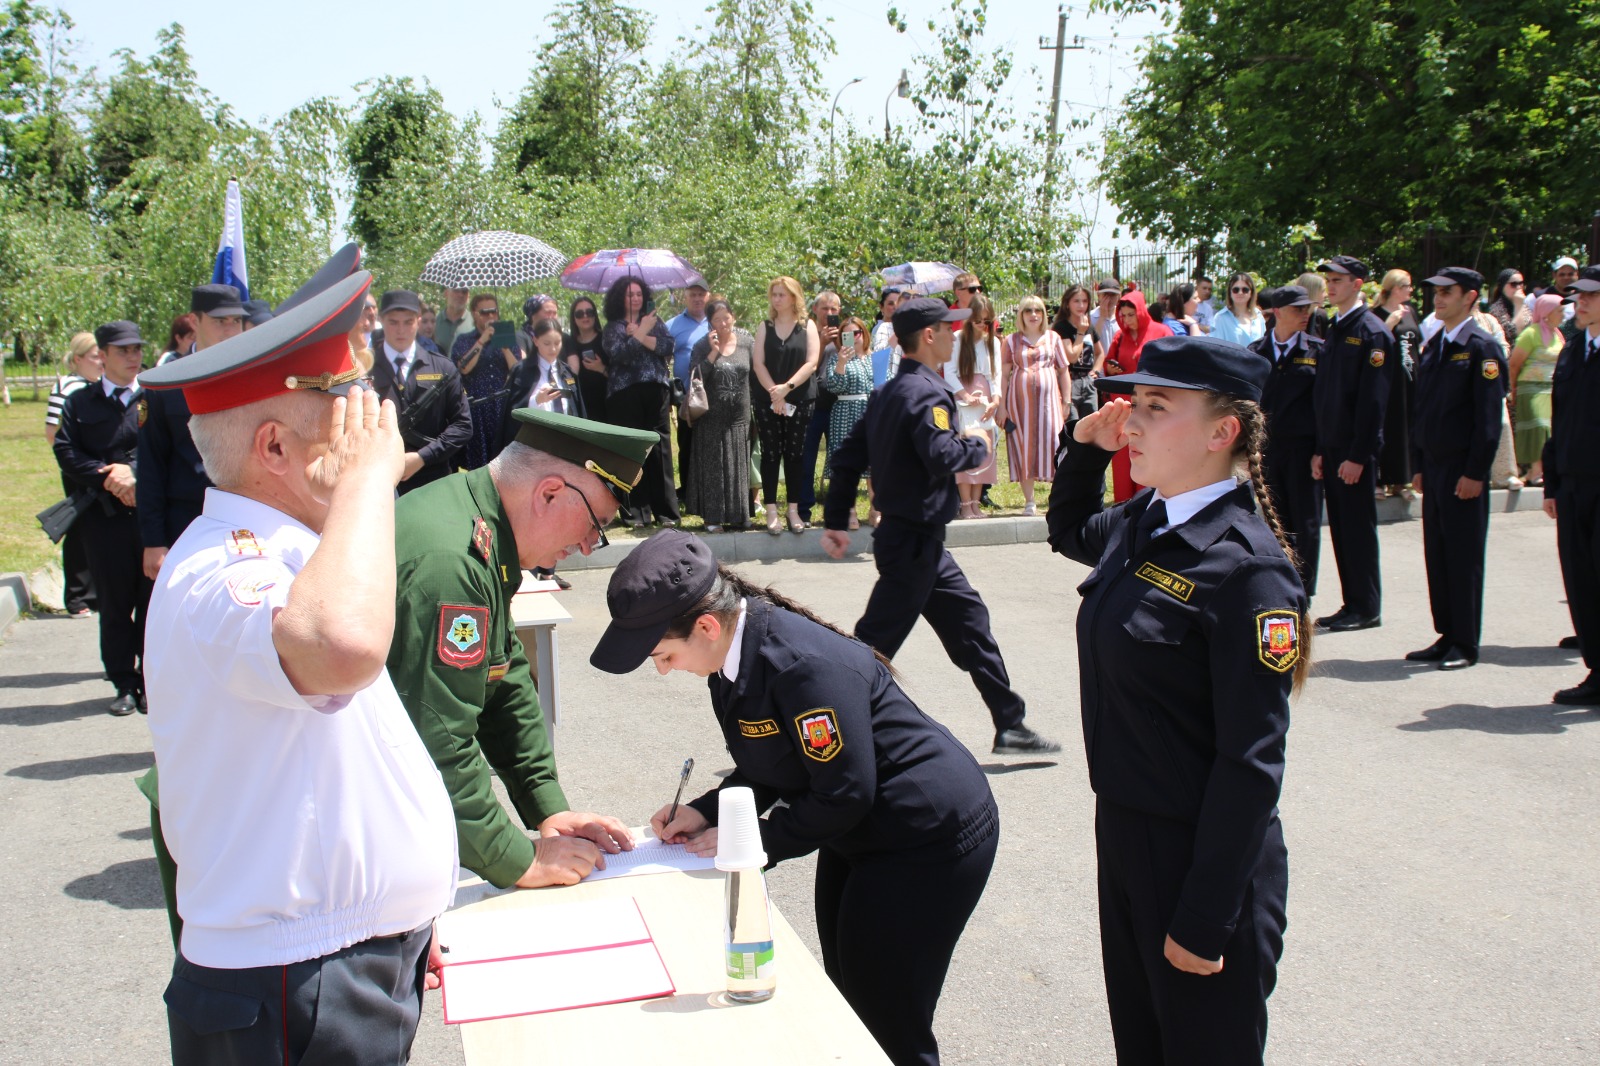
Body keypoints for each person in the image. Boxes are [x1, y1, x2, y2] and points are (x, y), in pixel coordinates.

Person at [137, 271, 457, 1064]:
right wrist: (367, 484)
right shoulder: (223, 568)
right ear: (275, 446)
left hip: (339, 961)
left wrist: (402, 908)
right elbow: (340, 650)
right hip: (291, 981)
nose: (368, 438)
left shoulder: (298, 554)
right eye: (345, 422)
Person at [594, 530, 1000, 1066]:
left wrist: (746, 840)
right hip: (859, 827)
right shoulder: (732, 656)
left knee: (886, 1021)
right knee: (845, 994)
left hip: (924, 836)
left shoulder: (799, 665)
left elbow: (845, 791)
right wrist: (707, 810)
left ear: (707, 625)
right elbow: (777, 761)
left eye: (663, 654)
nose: (663, 670)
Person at [1047, 333, 1306, 1066]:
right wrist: (1087, 448)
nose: (1132, 421)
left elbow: (1251, 763)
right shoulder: (1145, 523)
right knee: (1143, 1046)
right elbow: (1067, 528)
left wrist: (1204, 917)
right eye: (1137, 404)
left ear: (1223, 432)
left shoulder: (1248, 571)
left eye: (1157, 408)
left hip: (1201, 857)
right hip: (1127, 836)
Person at [387, 408, 657, 889]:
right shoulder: (453, 560)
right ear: (549, 492)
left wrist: (547, 808)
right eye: (596, 524)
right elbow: (438, 737)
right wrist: (517, 858)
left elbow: (503, 676)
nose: (591, 546)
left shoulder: (480, 525)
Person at [822, 297, 1060, 755]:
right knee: (873, 646)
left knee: (971, 625)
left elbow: (848, 458)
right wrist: (977, 446)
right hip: (913, 543)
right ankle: (823, 721)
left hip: (918, 541)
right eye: (947, 328)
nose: (955, 334)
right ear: (928, 336)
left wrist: (836, 520)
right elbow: (942, 456)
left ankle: (1010, 723)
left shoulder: (890, 392)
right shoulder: (927, 393)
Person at [1405, 267, 1506, 672]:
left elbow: (1487, 419)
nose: (1438, 298)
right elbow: (1422, 410)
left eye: (1448, 292)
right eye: (1435, 292)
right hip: (1435, 466)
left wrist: (1477, 472)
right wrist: (1418, 464)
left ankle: (1465, 642)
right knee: (1439, 555)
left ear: (1471, 296)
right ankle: (1446, 633)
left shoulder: (1482, 348)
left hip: (1463, 470)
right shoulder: (1437, 344)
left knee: (1463, 558)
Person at [54, 320, 152, 715]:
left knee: (151, 603)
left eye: (137, 349)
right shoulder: (81, 402)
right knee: (114, 604)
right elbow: (65, 450)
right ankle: (123, 684)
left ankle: (150, 681)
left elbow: (166, 445)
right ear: (104, 355)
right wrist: (107, 475)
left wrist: (134, 471)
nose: (133, 357)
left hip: (148, 515)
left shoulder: (153, 397)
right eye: (123, 351)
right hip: (103, 517)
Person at [138, 284, 245, 585]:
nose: (229, 329)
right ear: (195, 322)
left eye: (234, 321)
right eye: (219, 321)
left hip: (244, 519)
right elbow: (151, 466)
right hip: (186, 520)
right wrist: (154, 540)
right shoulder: (167, 383)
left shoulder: (256, 378)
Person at [1311, 255, 1395, 632]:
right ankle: (1352, 602)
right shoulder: (1336, 325)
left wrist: (1359, 455)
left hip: (1353, 451)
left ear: (1359, 284)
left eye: (1339, 280)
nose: (1331, 285)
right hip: (1331, 447)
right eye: (1328, 279)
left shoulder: (1372, 332)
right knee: (1342, 529)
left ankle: (1366, 605)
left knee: (1358, 529)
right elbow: (1326, 394)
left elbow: (1373, 402)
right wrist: (1319, 447)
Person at [1543, 264, 1600, 705]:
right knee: (1581, 578)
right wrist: (1552, 480)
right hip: (1574, 483)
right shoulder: (1574, 349)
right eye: (1578, 294)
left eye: (1591, 295)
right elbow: (1559, 419)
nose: (1579, 301)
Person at [1251, 286, 1324, 597]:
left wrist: (1321, 450)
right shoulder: (1257, 352)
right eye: (1297, 309)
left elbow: (1325, 406)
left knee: (1305, 522)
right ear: (1278, 312)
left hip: (1303, 450)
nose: (1305, 315)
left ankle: (1302, 590)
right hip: (1268, 450)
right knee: (1271, 517)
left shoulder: (1318, 351)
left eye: (1306, 309)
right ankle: (1276, 582)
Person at [369, 289, 472, 494]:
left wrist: (423, 457)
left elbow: (463, 425)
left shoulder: (442, 367)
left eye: (408, 322)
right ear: (381, 320)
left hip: (432, 478)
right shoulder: (365, 368)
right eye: (393, 322)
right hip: (377, 478)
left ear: (418, 320)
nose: (401, 330)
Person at [601, 276, 679, 527]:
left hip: (656, 391)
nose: (634, 298)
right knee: (631, 450)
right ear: (619, 298)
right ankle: (636, 512)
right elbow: (619, 355)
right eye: (628, 294)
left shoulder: (655, 321)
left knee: (660, 450)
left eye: (637, 294)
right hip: (625, 394)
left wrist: (642, 333)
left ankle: (666, 512)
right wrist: (642, 334)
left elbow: (668, 346)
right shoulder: (613, 327)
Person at [752, 276, 821, 534]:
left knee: (795, 455)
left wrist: (786, 388)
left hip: (799, 398)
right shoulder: (765, 326)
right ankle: (771, 510)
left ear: (794, 297)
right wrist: (775, 394)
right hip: (767, 399)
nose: (777, 299)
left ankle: (793, 510)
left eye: (782, 294)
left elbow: (811, 363)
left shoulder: (807, 326)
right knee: (770, 454)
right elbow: (758, 363)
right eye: (774, 294)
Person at [45, 332, 104, 618]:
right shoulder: (68, 387)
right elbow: (53, 433)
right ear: (78, 359)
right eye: (94, 357)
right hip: (79, 469)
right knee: (79, 528)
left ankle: (93, 592)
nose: (100, 362)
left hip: (97, 466)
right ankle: (77, 596)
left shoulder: (96, 386)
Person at [685, 299, 754, 533]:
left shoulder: (747, 342)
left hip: (739, 418)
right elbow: (695, 378)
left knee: (738, 467)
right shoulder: (701, 345)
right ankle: (712, 518)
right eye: (717, 319)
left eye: (726, 317)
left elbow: (755, 373)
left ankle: (739, 515)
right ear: (709, 323)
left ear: (733, 317)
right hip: (711, 418)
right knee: (714, 469)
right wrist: (713, 353)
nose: (723, 323)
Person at [1000, 295, 1070, 516]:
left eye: (1038, 310)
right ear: (1021, 314)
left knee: (1054, 444)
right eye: (1028, 310)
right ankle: (1029, 501)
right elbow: (1003, 376)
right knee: (1023, 446)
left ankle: (1057, 499)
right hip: (1019, 405)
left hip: (1049, 404)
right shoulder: (1011, 341)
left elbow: (1063, 371)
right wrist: (1001, 406)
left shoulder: (1054, 338)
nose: (1033, 315)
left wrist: (1067, 400)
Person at [1102, 289, 1173, 502]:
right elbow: (1108, 362)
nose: (1127, 320)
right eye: (1123, 315)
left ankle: (1150, 498)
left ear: (1141, 312)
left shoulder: (1161, 332)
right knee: (1123, 453)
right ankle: (1123, 502)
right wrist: (1111, 369)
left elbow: (1172, 367)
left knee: (1148, 449)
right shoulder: (1119, 336)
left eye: (1131, 315)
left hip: (1150, 404)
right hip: (1123, 404)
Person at [452, 293, 522, 470]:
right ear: (475, 314)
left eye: (494, 312)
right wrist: (482, 340)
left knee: (505, 461)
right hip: (477, 409)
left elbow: (517, 371)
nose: (491, 317)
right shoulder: (464, 339)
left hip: (502, 407)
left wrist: (504, 346)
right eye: (485, 312)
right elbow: (463, 367)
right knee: (479, 463)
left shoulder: (508, 337)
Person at [821, 315, 876, 527]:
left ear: (864, 333)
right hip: (845, 411)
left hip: (871, 413)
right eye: (848, 335)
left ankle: (875, 509)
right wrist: (842, 362)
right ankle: (849, 511)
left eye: (857, 333)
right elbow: (834, 386)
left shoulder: (874, 357)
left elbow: (886, 382)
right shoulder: (837, 358)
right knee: (848, 465)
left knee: (875, 464)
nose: (854, 338)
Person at [1510, 293, 1566, 486]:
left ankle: (1545, 470)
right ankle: (1535, 470)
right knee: (1539, 426)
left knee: (1551, 428)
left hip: (1552, 388)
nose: (1563, 314)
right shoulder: (1531, 333)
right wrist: (1514, 389)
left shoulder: (1558, 334)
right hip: (1531, 388)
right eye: (1559, 310)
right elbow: (1515, 364)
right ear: (1547, 312)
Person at [797, 290, 843, 524]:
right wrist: (821, 343)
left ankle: (837, 510)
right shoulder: (805, 333)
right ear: (815, 310)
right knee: (807, 459)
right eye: (825, 308)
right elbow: (803, 370)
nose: (830, 313)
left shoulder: (844, 334)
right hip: (811, 405)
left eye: (834, 309)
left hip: (837, 405)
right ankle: (804, 510)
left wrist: (836, 342)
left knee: (839, 460)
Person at [1374, 269, 1421, 496]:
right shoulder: (1378, 314)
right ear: (1394, 288)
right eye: (1406, 286)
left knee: (1407, 426)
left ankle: (1402, 480)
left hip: (1409, 376)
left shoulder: (1410, 312)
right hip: (1388, 378)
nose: (1410, 290)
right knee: (1389, 427)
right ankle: (1382, 479)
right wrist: (1389, 323)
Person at [952, 306, 1001, 520]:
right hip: (963, 398)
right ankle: (965, 504)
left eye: (986, 321)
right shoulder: (957, 339)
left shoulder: (993, 342)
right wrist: (964, 395)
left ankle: (976, 503)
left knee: (983, 451)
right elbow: (949, 372)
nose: (982, 325)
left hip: (985, 398)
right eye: (978, 321)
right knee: (964, 451)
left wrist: (995, 401)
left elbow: (996, 375)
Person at [667, 283, 711, 493]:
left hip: (713, 393)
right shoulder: (672, 325)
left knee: (709, 444)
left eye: (701, 295)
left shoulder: (716, 321)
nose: (697, 299)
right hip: (686, 395)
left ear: (707, 296)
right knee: (687, 443)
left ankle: (707, 488)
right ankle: (686, 490)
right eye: (692, 294)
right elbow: (663, 357)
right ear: (685, 297)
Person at [1052, 284, 1100, 423]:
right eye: (1076, 301)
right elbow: (1071, 357)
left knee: (1091, 424)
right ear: (1067, 304)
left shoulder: (1089, 327)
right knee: (1072, 425)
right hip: (1070, 381)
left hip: (1088, 382)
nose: (1081, 305)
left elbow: (1100, 352)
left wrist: (1096, 370)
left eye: (1084, 301)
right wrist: (1080, 332)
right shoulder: (1062, 327)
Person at [565, 295, 608, 421]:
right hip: (581, 405)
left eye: (589, 312)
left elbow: (621, 375)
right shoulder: (569, 343)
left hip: (606, 403)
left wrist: (601, 368)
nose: (585, 316)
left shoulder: (606, 339)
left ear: (595, 315)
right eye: (579, 314)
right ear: (573, 318)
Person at [1210, 273, 1266, 347]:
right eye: (1235, 290)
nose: (1240, 293)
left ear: (1251, 293)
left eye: (1245, 290)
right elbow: (1216, 348)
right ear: (1230, 292)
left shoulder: (1258, 316)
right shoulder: (1220, 318)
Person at [1486, 268, 1528, 343]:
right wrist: (1518, 305)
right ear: (1502, 287)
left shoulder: (1524, 305)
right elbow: (1514, 334)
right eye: (1513, 284)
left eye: (1521, 283)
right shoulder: (1495, 310)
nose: (1519, 287)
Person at [1090, 277, 1122, 354]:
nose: (1109, 299)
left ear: (1118, 296)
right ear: (1098, 295)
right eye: (1105, 295)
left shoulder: (1124, 317)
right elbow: (1089, 343)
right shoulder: (1090, 317)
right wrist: (1102, 318)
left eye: (1113, 295)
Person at [434, 286, 470, 354]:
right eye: (456, 290)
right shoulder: (434, 322)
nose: (461, 295)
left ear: (468, 296)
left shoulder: (475, 322)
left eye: (464, 291)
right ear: (446, 293)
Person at [1296, 271, 1330, 339]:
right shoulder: (1288, 314)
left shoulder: (1320, 315)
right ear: (1313, 293)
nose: (1326, 295)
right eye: (1323, 291)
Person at [870, 288, 902, 352]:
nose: (895, 307)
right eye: (891, 304)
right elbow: (880, 353)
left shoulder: (898, 326)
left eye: (898, 303)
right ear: (881, 307)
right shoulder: (879, 328)